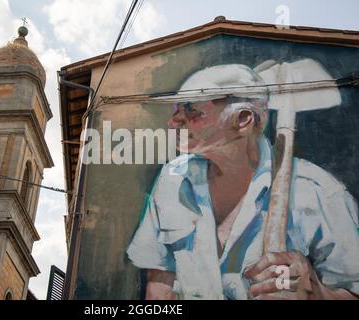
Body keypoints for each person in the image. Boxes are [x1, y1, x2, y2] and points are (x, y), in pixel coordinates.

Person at [126, 63, 359, 300]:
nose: (173, 122)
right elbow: (159, 287)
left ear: (244, 119)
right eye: (176, 108)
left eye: (191, 109)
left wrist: (316, 294)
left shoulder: (318, 191)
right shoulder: (172, 179)